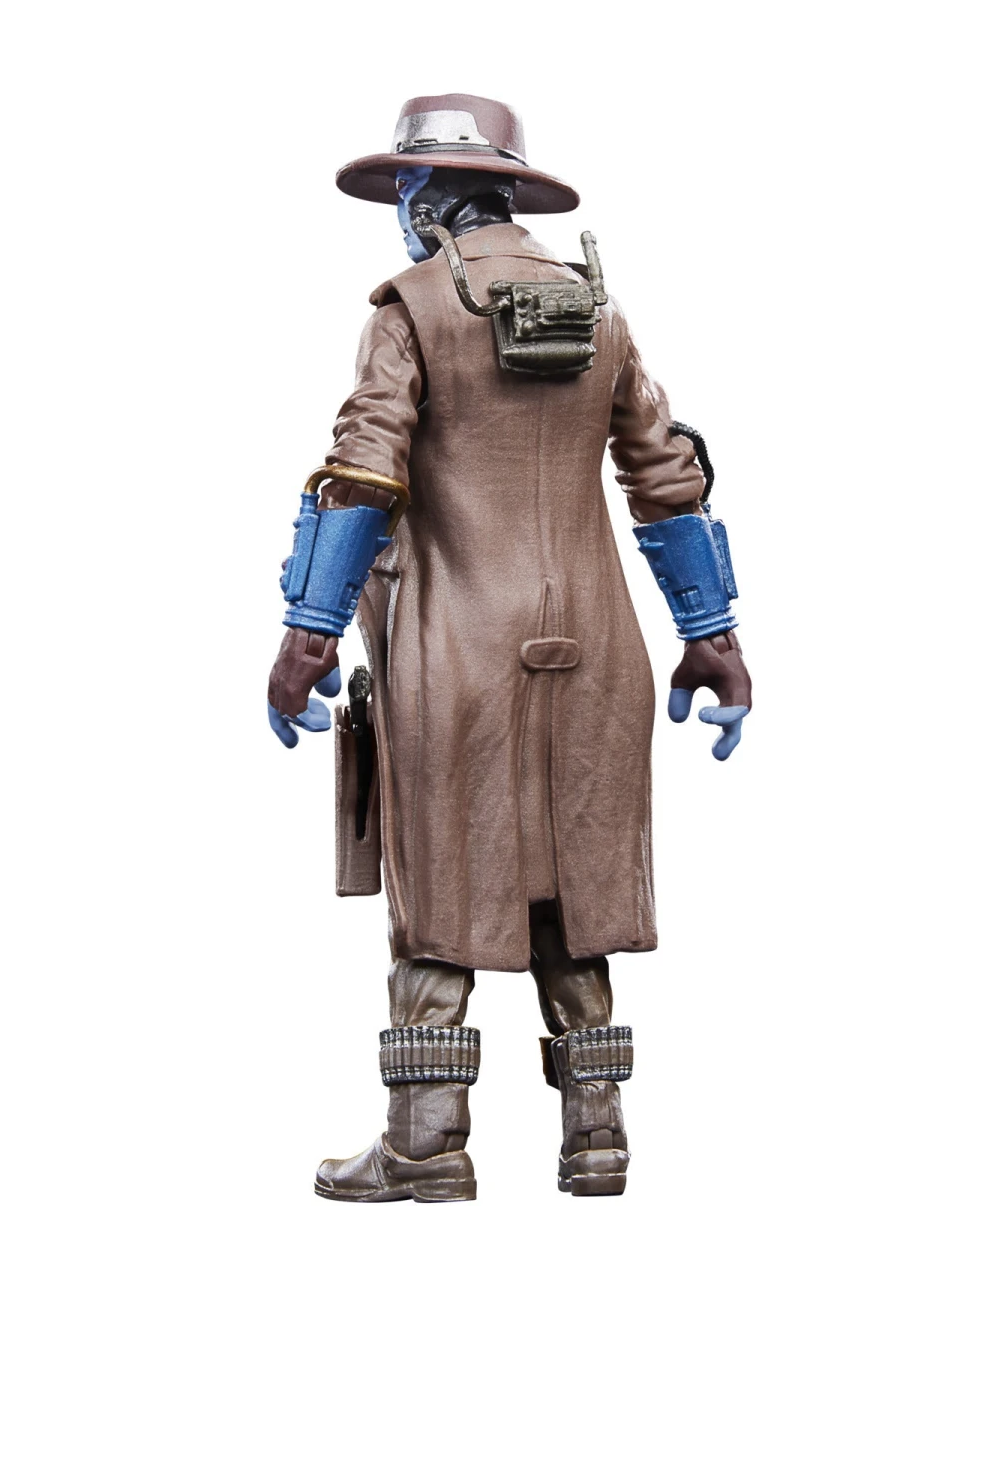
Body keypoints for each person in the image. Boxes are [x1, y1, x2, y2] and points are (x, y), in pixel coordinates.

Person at [266, 94, 752, 1200]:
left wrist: (308, 631)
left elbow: (364, 471)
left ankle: (425, 1143)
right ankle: (597, 1136)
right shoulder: (600, 309)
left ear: (431, 199)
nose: (402, 209)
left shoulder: (410, 311)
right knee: (573, 883)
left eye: (407, 189)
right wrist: (712, 634)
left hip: (456, 645)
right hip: (600, 644)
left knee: (440, 879)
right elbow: (665, 475)